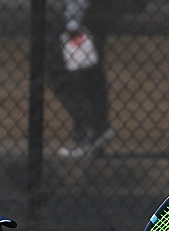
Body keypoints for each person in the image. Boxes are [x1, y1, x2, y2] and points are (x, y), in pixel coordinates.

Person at [48, 0, 113, 158]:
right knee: (89, 73)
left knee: (63, 73)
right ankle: (96, 131)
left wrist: (73, 22)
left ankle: (90, 132)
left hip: (79, 19)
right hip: (88, 15)